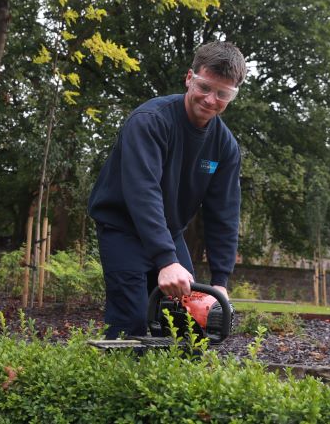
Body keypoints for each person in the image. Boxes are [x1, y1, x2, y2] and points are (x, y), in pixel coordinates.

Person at [87, 41, 246, 339]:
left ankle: (166, 384)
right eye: (204, 87)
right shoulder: (150, 122)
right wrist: (166, 260)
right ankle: (118, 381)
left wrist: (221, 281)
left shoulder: (225, 146)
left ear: (232, 95)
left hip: (169, 232)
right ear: (189, 78)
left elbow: (224, 214)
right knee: (132, 319)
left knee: (190, 321)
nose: (211, 100)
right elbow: (143, 192)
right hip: (122, 226)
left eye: (223, 94)